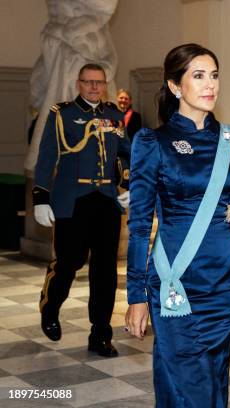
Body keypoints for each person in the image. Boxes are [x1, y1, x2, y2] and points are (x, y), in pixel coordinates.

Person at [124, 43, 230, 408]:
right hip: (176, 284)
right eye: (198, 75)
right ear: (175, 86)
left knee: (214, 382)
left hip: (223, 285)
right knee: (190, 389)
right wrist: (136, 295)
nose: (211, 85)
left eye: (215, 75)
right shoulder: (152, 142)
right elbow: (141, 225)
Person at [33, 63, 131, 357]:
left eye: (98, 82)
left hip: (105, 200)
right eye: (88, 82)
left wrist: (129, 185)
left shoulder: (114, 116)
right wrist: (40, 197)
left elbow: (126, 154)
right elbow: (47, 155)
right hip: (72, 200)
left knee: (105, 272)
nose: (93, 87)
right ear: (79, 84)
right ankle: (50, 306)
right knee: (68, 262)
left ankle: (100, 333)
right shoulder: (61, 114)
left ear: (105, 84)